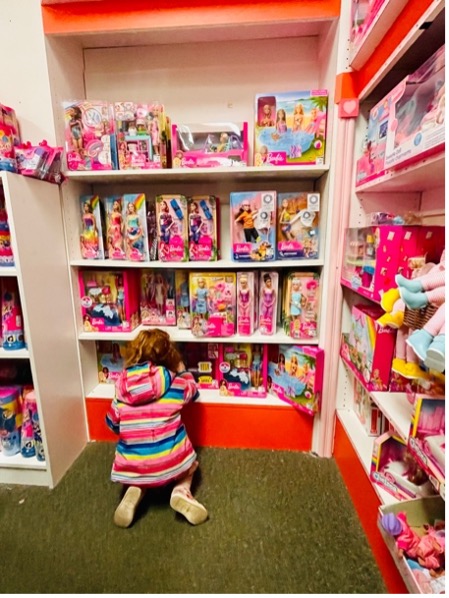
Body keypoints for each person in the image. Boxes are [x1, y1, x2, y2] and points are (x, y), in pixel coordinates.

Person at [105, 328, 207, 528]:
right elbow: (193, 391)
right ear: (169, 356)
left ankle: (135, 487)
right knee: (191, 466)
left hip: (133, 466)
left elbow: (112, 423)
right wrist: (182, 370)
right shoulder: (175, 384)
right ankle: (181, 491)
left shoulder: (121, 389)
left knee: (138, 461)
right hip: (171, 463)